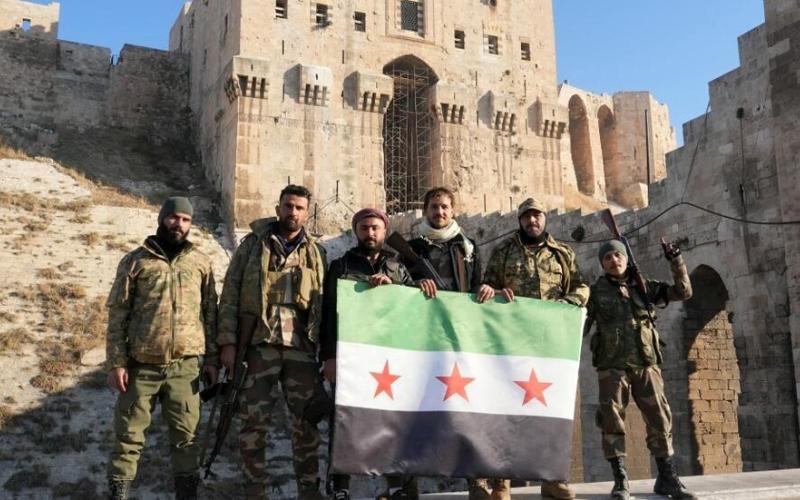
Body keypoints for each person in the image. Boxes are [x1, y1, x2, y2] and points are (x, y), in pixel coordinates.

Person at [217, 185, 327, 500]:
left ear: (307, 213)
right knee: (253, 424)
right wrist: (228, 343)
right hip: (258, 345)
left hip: (301, 349)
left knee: (306, 424)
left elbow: (324, 302)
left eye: (299, 208)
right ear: (278, 208)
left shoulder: (316, 252)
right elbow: (230, 293)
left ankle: (309, 491)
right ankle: (254, 491)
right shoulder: (252, 246)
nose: (293, 212)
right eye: (288, 206)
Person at [105, 196, 218, 500]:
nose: (178, 224)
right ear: (162, 218)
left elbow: (210, 313)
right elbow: (118, 313)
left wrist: (212, 360)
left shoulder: (200, 262)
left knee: (186, 439)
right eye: (173, 217)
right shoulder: (135, 261)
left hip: (186, 367)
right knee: (128, 438)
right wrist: (117, 362)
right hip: (141, 366)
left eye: (185, 219)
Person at [479, 197, 589, 500]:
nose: (532, 221)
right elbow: (487, 287)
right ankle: (501, 484)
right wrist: (493, 291)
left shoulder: (562, 253)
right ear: (520, 220)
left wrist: (567, 303)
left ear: (544, 218)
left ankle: (551, 479)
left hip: (550, 345)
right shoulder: (503, 251)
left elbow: (581, 286)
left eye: (537, 215)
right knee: (505, 410)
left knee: (551, 412)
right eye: (526, 216)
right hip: (512, 344)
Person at [585, 238, 696, 500]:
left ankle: (667, 477)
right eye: (608, 257)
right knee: (612, 420)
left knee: (659, 417)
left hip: (646, 363)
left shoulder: (644, 286)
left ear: (626, 258)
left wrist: (676, 261)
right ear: (602, 263)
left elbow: (683, 292)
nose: (614, 260)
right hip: (612, 366)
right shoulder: (595, 292)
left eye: (618, 255)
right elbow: (578, 321)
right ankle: (620, 480)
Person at [399, 187, 489, 499]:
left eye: (445, 207)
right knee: (414, 410)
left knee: (468, 411)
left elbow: (476, 285)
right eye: (434, 207)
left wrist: (486, 289)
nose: (440, 212)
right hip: (423, 338)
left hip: (459, 337)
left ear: (453, 211)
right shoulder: (411, 249)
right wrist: (415, 285)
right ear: (425, 210)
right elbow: (399, 285)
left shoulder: (468, 247)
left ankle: (477, 480)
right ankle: (406, 484)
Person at [320, 208, 415, 500]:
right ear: (356, 231)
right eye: (364, 228)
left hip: (388, 358)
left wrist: (392, 289)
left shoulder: (398, 267)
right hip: (351, 356)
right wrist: (329, 357)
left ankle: (396, 484)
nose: (370, 233)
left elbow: (413, 308)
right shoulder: (340, 266)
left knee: (391, 421)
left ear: (384, 231)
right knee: (344, 421)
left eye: (375, 228)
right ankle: (340, 486)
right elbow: (328, 314)